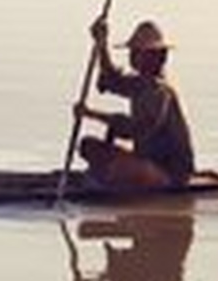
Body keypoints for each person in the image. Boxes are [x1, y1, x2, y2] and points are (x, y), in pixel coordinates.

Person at [73, 15, 197, 191]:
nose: (132, 56)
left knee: (118, 168)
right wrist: (101, 43)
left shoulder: (160, 92)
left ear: (155, 57)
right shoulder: (140, 83)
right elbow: (112, 81)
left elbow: (135, 130)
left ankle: (117, 180)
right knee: (88, 146)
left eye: (137, 52)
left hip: (170, 173)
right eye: (133, 52)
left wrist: (91, 114)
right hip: (147, 162)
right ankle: (114, 177)